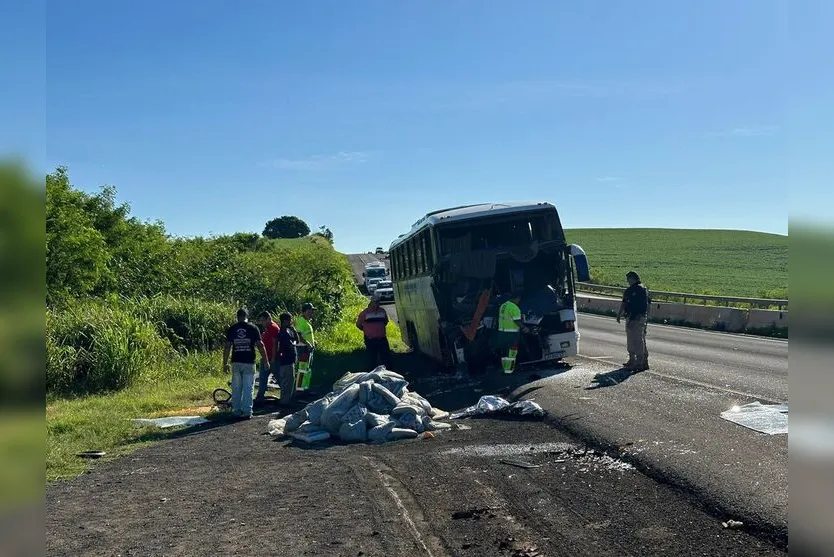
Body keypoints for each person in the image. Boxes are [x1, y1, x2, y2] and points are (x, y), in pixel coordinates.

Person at [223, 308, 269, 419]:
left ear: (237, 317)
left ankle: (236, 411)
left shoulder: (232, 329)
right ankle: (247, 411)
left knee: (236, 387)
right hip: (249, 362)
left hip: (236, 361)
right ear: (247, 316)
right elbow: (260, 345)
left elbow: (227, 346)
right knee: (248, 387)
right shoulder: (253, 328)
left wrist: (224, 363)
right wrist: (266, 360)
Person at [616, 271, 650, 371]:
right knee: (633, 339)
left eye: (628, 279)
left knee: (637, 340)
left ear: (633, 278)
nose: (627, 281)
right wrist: (619, 314)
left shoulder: (640, 290)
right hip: (634, 317)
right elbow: (624, 302)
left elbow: (639, 306)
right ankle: (633, 360)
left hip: (636, 317)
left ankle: (640, 362)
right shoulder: (633, 290)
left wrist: (632, 318)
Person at [356, 298, 391, 370]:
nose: (377, 304)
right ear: (371, 303)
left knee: (386, 357)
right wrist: (365, 330)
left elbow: (385, 322)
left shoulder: (382, 311)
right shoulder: (364, 313)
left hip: (382, 338)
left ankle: (388, 371)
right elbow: (358, 324)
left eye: (378, 302)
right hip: (370, 339)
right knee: (372, 358)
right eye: (375, 302)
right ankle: (372, 372)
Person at [497, 293, 527, 374]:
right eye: (519, 299)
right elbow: (517, 320)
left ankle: (504, 369)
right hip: (512, 333)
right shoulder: (514, 307)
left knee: (504, 352)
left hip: (502, 333)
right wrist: (524, 328)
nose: (519, 301)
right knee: (512, 353)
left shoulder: (503, 305)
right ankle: (509, 370)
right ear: (516, 298)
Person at [254, 311, 280, 404]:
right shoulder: (268, 328)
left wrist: (272, 359)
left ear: (268, 319)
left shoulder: (273, 328)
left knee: (279, 378)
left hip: (272, 359)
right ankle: (260, 397)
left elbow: (275, 344)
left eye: (263, 320)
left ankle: (286, 396)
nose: (262, 323)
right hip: (266, 358)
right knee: (262, 378)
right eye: (260, 321)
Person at [275, 312, 299, 406]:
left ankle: (287, 399)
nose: (291, 322)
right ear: (285, 321)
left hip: (290, 360)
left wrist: (294, 331)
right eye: (289, 320)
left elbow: (296, 341)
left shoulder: (289, 331)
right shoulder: (283, 332)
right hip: (285, 359)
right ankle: (285, 401)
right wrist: (293, 343)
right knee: (287, 381)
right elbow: (291, 345)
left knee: (290, 380)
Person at [294, 302, 316, 392]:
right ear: (304, 311)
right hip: (303, 349)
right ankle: (299, 390)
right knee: (302, 369)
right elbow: (298, 335)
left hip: (308, 349)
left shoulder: (307, 321)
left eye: (312, 311)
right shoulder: (301, 321)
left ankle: (305, 388)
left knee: (307, 369)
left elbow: (306, 334)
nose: (311, 313)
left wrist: (313, 342)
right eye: (310, 310)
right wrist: (308, 343)